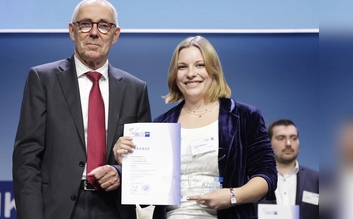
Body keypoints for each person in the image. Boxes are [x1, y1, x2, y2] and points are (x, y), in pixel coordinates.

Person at [12, 0, 151, 219]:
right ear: (72, 30)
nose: (94, 32)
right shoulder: (43, 79)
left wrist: (119, 172)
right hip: (57, 210)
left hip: (113, 210)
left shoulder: (135, 89)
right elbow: (26, 159)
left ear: (115, 35)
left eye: (104, 26)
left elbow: (143, 160)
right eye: (85, 24)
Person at [114, 36, 277, 219]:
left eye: (200, 65)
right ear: (175, 75)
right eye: (183, 67)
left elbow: (267, 177)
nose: (191, 73)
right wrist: (129, 163)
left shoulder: (245, 117)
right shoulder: (161, 125)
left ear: (214, 70)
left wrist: (232, 196)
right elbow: (147, 197)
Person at [258, 119, 319, 219]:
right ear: (268, 144)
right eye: (281, 138)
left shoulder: (318, 180)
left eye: (293, 138)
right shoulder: (253, 179)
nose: (288, 143)